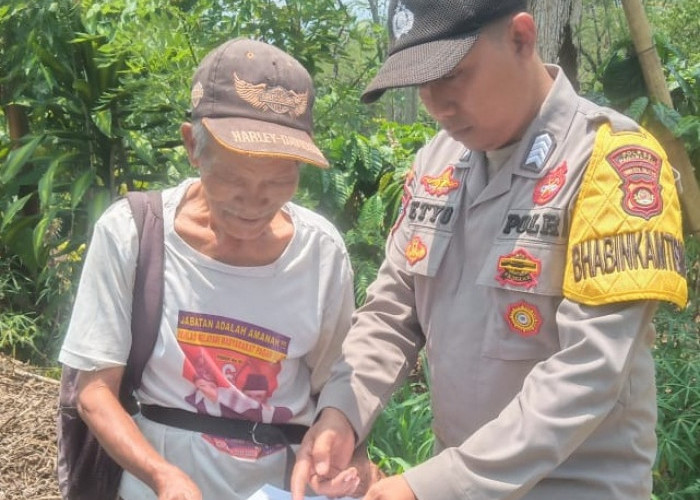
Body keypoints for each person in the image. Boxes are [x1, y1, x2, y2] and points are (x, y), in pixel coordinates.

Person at [291, 1, 688, 499]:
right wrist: (340, 414)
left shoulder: (611, 162)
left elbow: (589, 370)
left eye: (453, 75)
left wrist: (428, 488)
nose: (436, 104)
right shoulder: (438, 161)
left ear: (521, 38)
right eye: (421, 82)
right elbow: (392, 311)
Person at [58, 38, 370, 500]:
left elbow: (335, 387)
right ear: (192, 145)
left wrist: (347, 454)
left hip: (278, 485)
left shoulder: (320, 252)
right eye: (234, 177)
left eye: (280, 178)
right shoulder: (132, 231)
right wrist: (163, 477)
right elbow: (94, 393)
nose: (255, 202)